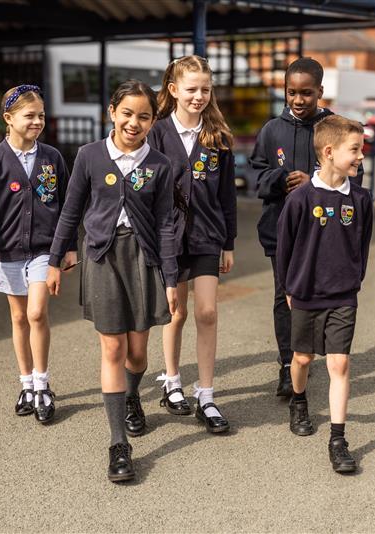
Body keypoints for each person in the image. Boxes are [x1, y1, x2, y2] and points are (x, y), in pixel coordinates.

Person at [47, 80, 178, 483]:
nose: (134, 122)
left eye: (143, 116)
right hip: (101, 256)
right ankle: (119, 444)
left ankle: (132, 393)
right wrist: (55, 260)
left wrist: (171, 277)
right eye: (127, 113)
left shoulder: (160, 164)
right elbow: (70, 211)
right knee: (112, 347)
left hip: (143, 258)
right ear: (112, 113)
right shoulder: (88, 156)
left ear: (153, 121)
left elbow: (166, 223)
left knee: (137, 353)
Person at [249, 57, 363, 398]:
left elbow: (356, 176)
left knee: (322, 296)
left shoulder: (337, 128)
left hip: (327, 234)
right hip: (281, 233)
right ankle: (289, 364)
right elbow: (255, 175)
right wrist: (282, 179)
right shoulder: (271, 130)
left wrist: (315, 181)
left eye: (307, 93)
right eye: (292, 93)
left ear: (320, 92)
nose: (299, 100)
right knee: (285, 296)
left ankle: (316, 356)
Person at [0, 84, 74, 425]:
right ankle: (26, 384)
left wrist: (68, 247)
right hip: (10, 253)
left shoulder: (52, 158)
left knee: (35, 313)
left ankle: (43, 384)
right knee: (17, 319)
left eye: (41, 115)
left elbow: (67, 209)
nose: (37, 121)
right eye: (29, 116)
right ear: (8, 119)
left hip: (45, 251)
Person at [276, 115, 372, 474]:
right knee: (302, 359)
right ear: (329, 152)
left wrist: (353, 278)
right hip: (305, 293)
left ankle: (338, 439)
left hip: (343, 295)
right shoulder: (300, 199)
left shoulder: (360, 198)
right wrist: (289, 286)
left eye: (361, 149)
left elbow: (362, 245)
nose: (361, 156)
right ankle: (299, 400)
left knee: (339, 363)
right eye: (355, 149)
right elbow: (285, 247)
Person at [148, 55, 237, 434]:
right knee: (175, 312)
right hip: (168, 238)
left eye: (205, 89)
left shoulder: (217, 137)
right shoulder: (156, 134)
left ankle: (207, 395)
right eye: (191, 89)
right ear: (173, 91)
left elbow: (227, 195)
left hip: (207, 237)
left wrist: (228, 242)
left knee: (207, 312)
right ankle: (171, 381)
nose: (199, 96)